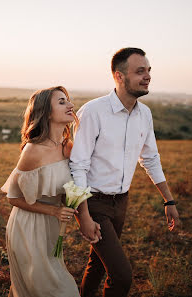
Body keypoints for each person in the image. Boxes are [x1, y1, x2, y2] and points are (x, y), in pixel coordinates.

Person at [69, 47, 181, 297]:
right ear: (119, 76)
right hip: (93, 202)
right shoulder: (93, 111)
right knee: (121, 276)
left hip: (121, 202)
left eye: (149, 70)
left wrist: (169, 199)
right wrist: (84, 215)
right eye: (140, 71)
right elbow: (78, 165)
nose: (148, 76)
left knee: (97, 264)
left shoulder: (145, 114)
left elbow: (150, 158)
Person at [1, 86, 81, 297]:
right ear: (45, 112)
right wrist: (54, 211)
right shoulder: (33, 150)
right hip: (28, 227)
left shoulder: (68, 146)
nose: (70, 105)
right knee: (56, 289)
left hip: (52, 228)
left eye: (68, 100)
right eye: (61, 102)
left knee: (41, 286)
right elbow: (13, 198)